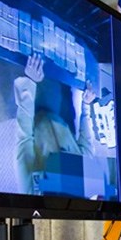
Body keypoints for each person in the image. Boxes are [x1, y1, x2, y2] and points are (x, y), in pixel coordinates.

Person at [14, 53, 96, 195]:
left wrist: (29, 82)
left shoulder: (30, 189)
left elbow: (24, 137)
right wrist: (86, 105)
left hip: (35, 117)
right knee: (66, 61)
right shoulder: (83, 184)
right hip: (62, 119)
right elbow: (86, 147)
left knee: (32, 61)